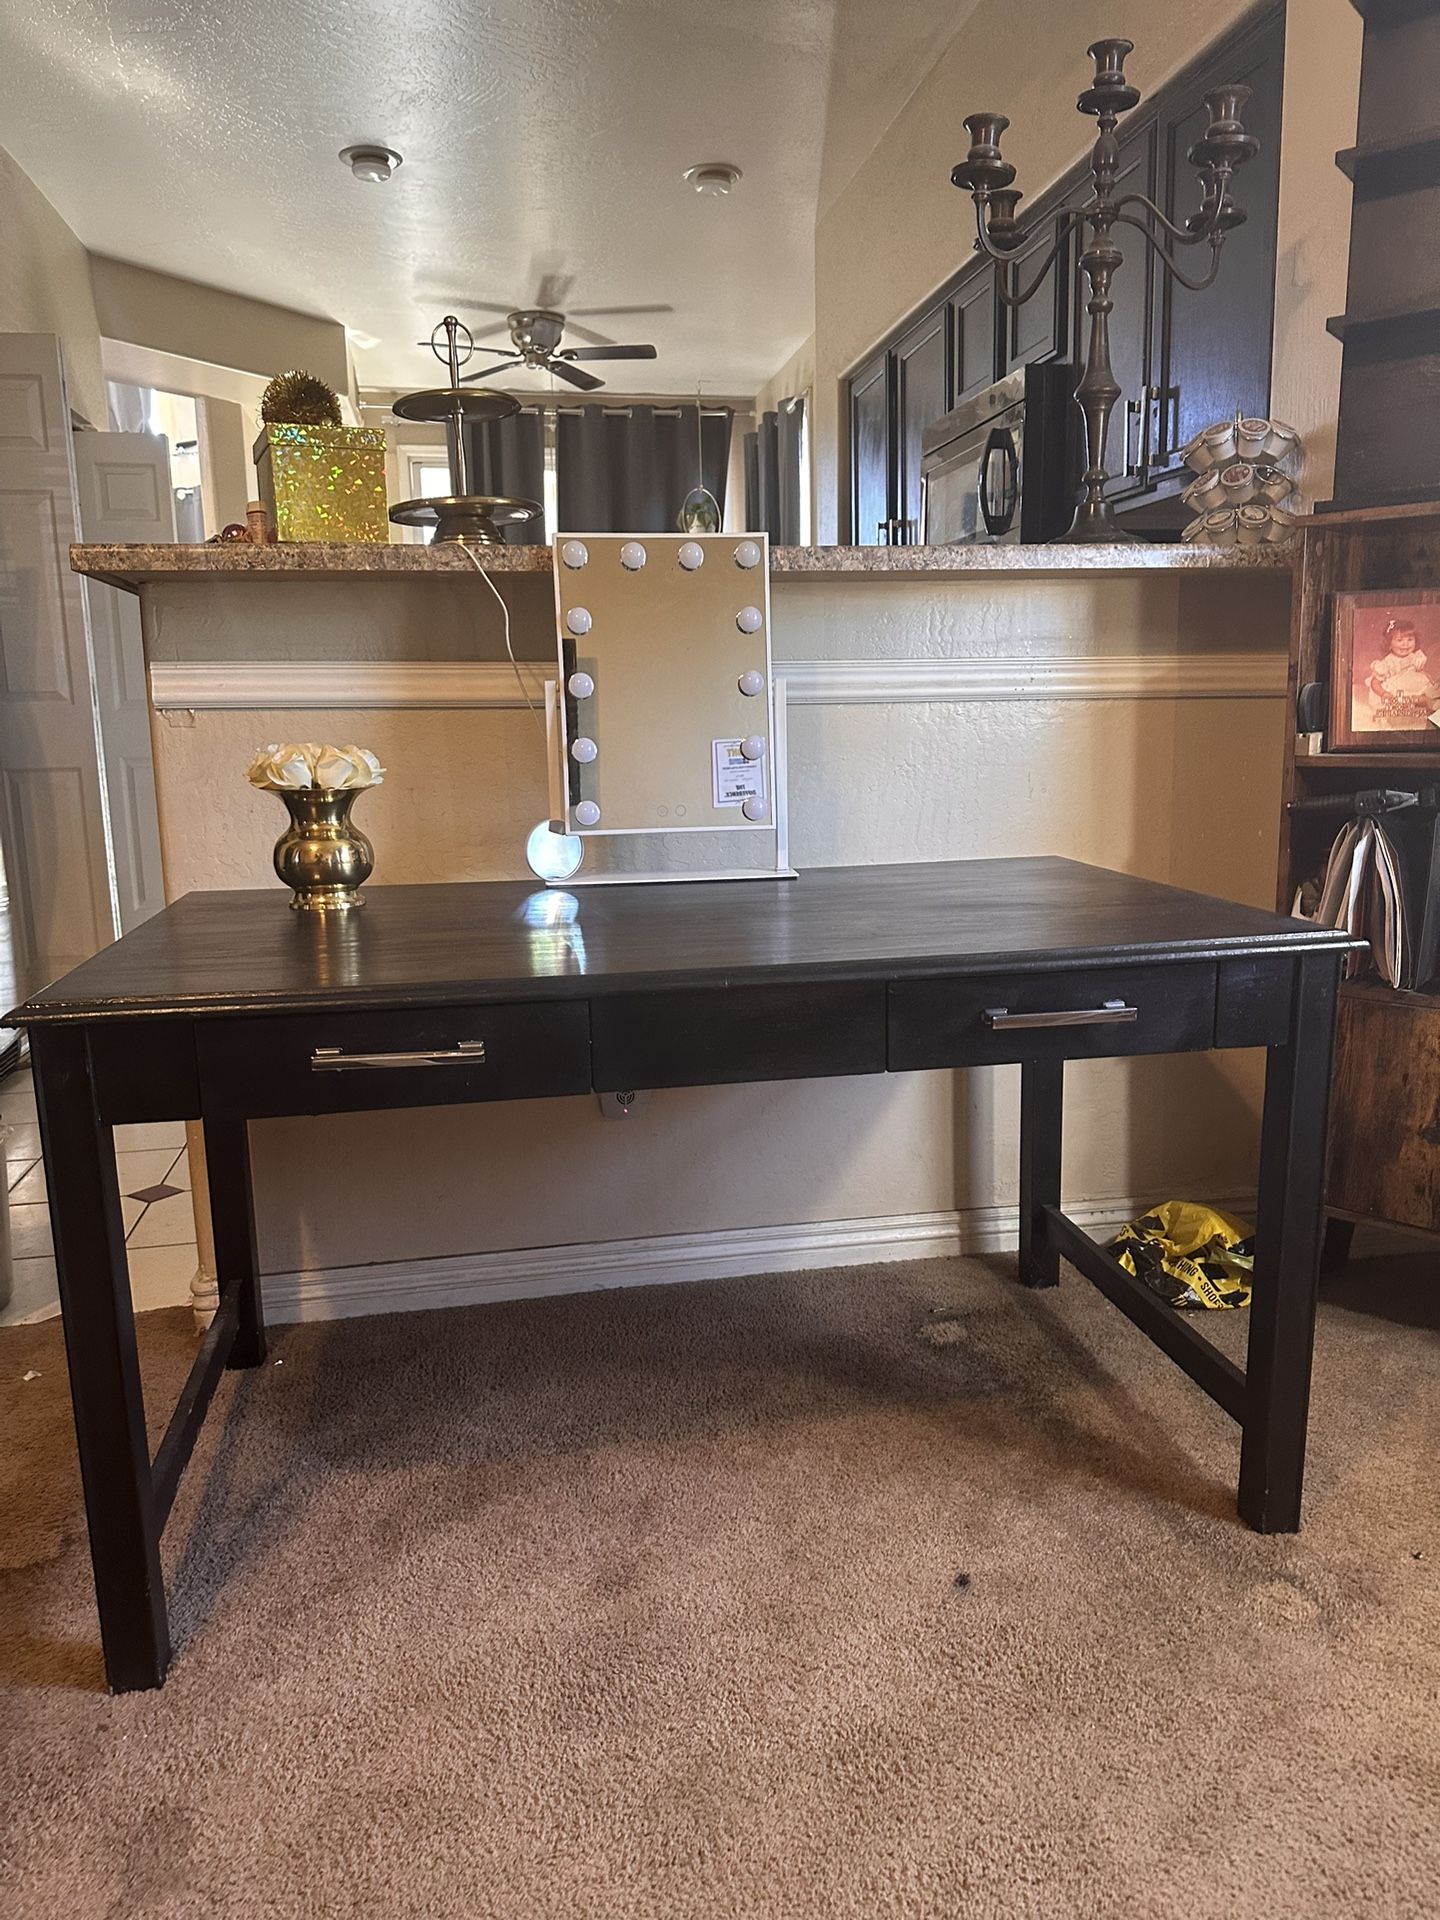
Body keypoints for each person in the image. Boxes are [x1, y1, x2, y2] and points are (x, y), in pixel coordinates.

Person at [1364, 617, 1440, 728]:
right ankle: (1412, 708)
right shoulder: (1387, 662)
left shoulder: (1415, 656)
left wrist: (1424, 675)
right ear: (1389, 644)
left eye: (1410, 640)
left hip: (1412, 685)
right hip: (1396, 690)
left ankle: (1430, 704)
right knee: (1401, 703)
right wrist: (1383, 693)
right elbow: (1374, 682)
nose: (1406, 644)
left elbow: (1421, 674)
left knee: (1429, 689)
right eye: (1400, 640)